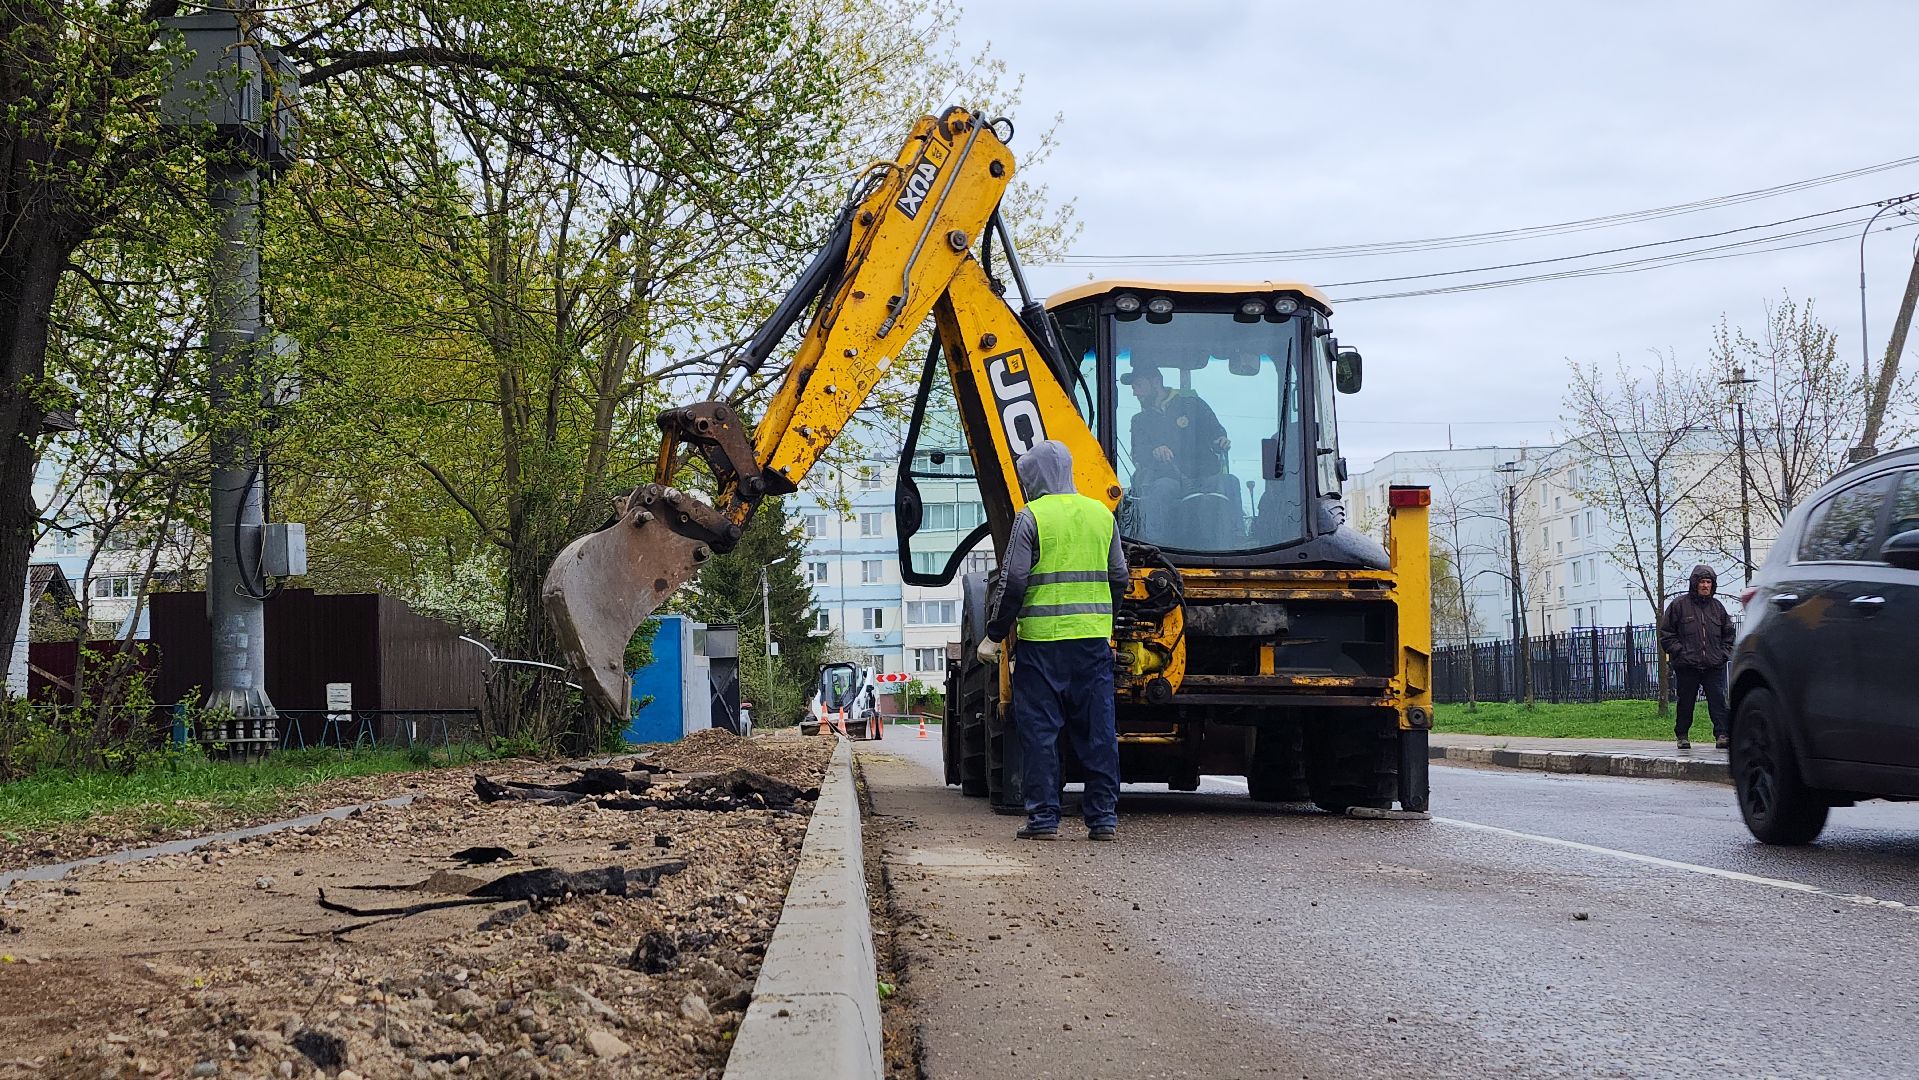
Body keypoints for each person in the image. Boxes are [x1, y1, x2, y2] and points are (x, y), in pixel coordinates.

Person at [976, 440, 1128, 841]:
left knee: (1041, 733)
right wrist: (1104, 619)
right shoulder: (1102, 515)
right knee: (1098, 732)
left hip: (1042, 646)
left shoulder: (1032, 517)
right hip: (1092, 643)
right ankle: (1103, 819)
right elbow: (1119, 576)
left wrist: (994, 635)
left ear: (1034, 477)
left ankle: (1044, 820)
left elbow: (1013, 581)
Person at [1122, 365, 1234, 545]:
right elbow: (1138, 453)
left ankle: (1238, 541)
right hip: (1168, 477)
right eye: (1133, 388)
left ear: (1156, 382)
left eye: (1139, 385)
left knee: (1230, 482)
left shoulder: (1192, 404)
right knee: (1162, 488)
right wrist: (1154, 451)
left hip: (1205, 475)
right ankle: (1155, 545)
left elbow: (1216, 431)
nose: (1135, 393)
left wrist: (1221, 439)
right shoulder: (1139, 421)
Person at [1659, 564, 1735, 750]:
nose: (1705, 586)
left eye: (1709, 582)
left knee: (1718, 701)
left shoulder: (1718, 608)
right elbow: (1666, 634)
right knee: (1686, 702)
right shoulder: (1679, 606)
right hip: (1687, 665)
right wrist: (1679, 652)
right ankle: (1682, 735)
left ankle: (1722, 734)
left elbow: (1729, 634)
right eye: (1702, 582)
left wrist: (1723, 654)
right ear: (1695, 583)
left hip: (1713, 665)